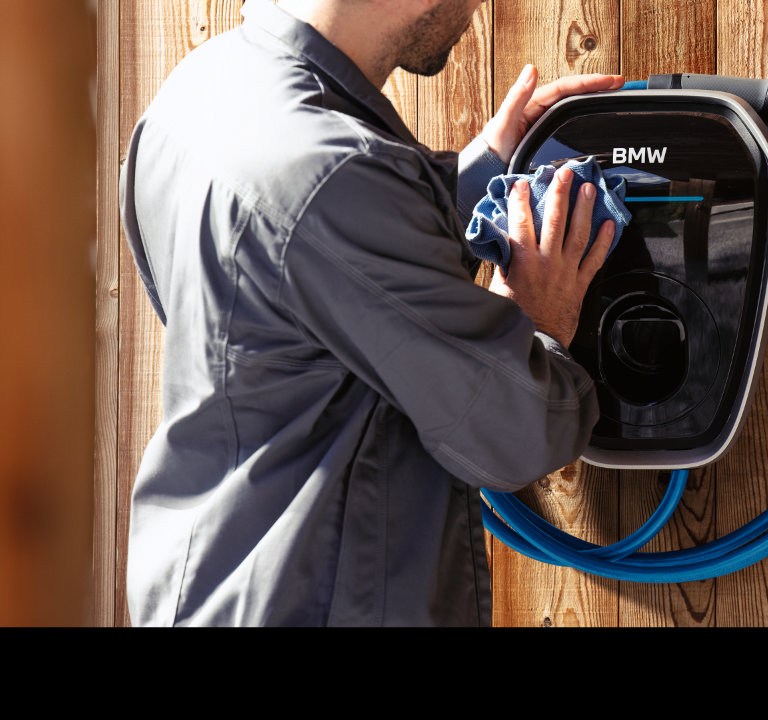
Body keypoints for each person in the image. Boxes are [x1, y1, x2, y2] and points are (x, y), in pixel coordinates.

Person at [120, 0, 623, 626]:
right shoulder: (335, 176)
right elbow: (514, 431)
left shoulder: (196, 94)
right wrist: (537, 318)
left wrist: (480, 174)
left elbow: (304, 286)